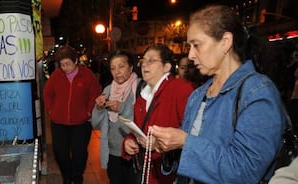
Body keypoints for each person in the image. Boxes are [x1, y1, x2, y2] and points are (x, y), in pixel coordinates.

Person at [150, 5, 285, 183]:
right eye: (189, 46)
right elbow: (187, 162)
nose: (190, 55)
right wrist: (169, 150)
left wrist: (185, 142)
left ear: (225, 42)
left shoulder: (258, 93)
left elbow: (245, 171)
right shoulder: (198, 95)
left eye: (196, 45)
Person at [122, 44, 195, 184]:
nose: (144, 65)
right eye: (143, 61)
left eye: (151, 60)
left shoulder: (181, 89)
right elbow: (139, 130)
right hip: (148, 171)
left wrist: (159, 144)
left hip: (170, 173)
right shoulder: (142, 95)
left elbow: (194, 133)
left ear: (166, 67)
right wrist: (129, 141)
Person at [43, 46, 100, 184]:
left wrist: (88, 112)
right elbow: (47, 94)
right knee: (60, 153)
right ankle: (67, 177)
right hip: (59, 123)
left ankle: (77, 176)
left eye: (68, 64)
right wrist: (51, 111)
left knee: (79, 153)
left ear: (76, 61)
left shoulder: (87, 75)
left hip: (81, 123)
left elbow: (95, 94)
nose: (65, 68)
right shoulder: (56, 75)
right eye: (62, 65)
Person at [91, 50, 141, 184]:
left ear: (131, 67)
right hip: (112, 152)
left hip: (134, 152)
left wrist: (122, 107)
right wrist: (99, 108)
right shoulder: (108, 90)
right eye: (113, 68)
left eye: (121, 66)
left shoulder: (140, 88)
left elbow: (141, 120)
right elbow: (95, 124)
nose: (117, 71)